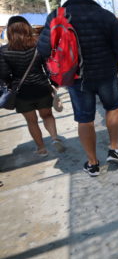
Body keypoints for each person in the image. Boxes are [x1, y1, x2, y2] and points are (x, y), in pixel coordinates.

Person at [38, 0, 118, 177]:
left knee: (84, 119)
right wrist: (109, 58)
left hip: (76, 77)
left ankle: (92, 162)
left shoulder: (56, 16)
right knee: (113, 108)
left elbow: (44, 49)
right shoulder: (105, 15)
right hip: (106, 73)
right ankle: (114, 149)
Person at [0, 16, 65, 156]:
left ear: (9, 31)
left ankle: (41, 148)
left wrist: (11, 84)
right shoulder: (38, 45)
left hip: (22, 92)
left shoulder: (4, 51)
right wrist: (53, 83)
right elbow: (48, 66)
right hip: (42, 87)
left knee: (31, 121)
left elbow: (4, 74)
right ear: (27, 28)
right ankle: (54, 138)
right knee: (47, 115)